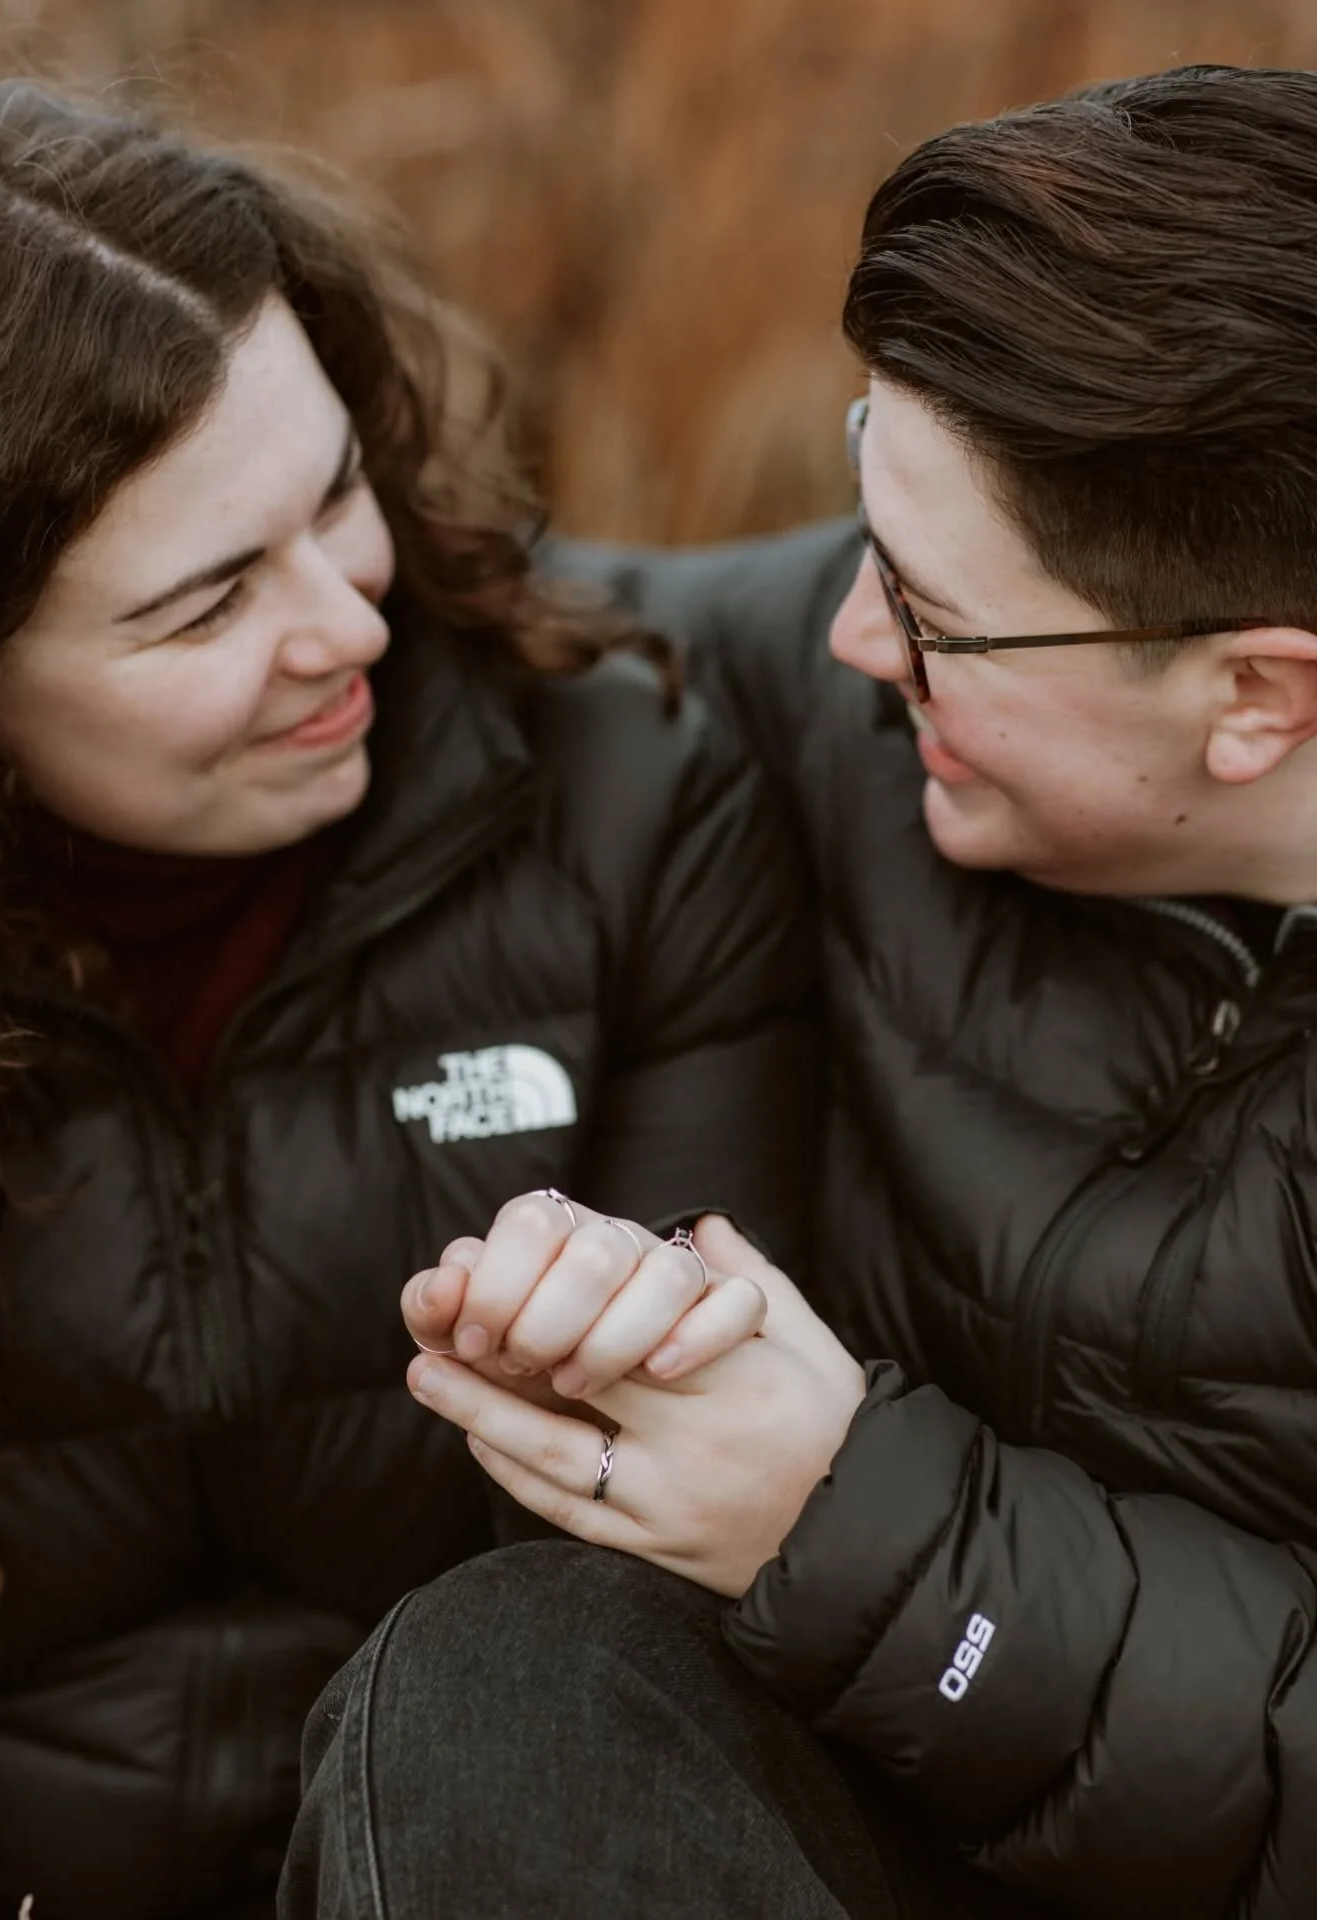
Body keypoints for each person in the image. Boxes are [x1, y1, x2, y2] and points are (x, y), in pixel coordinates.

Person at [282, 63, 1317, 1920]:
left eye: (930, 616)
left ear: (1258, 698)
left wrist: (853, 1523)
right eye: (861, 490)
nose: (849, 634)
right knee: (515, 1687)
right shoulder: (847, 703)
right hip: (822, 1824)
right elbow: (496, 655)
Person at [0, 82, 818, 1919]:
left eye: (337, 498)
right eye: (209, 601)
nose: (353, 623)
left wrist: (631, 1345)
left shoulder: (631, 801)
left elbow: (641, 1633)